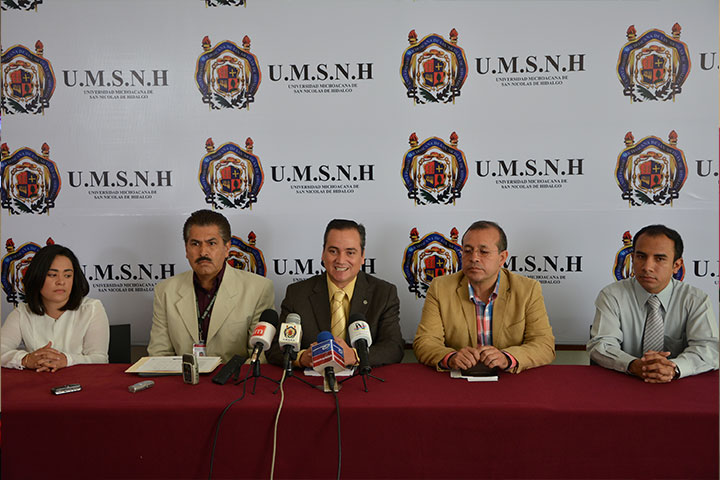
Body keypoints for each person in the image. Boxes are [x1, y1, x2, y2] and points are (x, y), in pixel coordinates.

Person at [413, 220, 555, 372]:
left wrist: (507, 358)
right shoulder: (440, 288)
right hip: (459, 378)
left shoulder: (527, 289)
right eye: (468, 251)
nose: (474, 258)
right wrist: (451, 357)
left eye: (484, 252)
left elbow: (544, 345)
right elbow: (425, 341)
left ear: (502, 258)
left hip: (508, 378)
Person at [588, 224, 718, 383]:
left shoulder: (696, 299)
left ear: (676, 265)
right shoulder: (612, 295)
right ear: (633, 258)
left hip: (678, 385)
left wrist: (673, 368)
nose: (647, 267)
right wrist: (634, 365)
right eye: (641, 257)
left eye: (659, 259)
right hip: (625, 383)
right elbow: (601, 345)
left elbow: (709, 349)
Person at [267, 219, 404, 368]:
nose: (341, 260)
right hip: (312, 378)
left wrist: (356, 356)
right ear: (323, 253)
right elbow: (275, 349)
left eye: (350, 252)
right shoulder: (297, 293)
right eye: (333, 251)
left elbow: (394, 347)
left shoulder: (384, 293)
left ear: (362, 256)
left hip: (362, 379)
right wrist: (300, 358)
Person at [148, 209, 274, 363]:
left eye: (211, 243)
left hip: (234, 377)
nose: (203, 252)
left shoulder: (258, 289)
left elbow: (258, 358)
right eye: (195, 244)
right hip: (182, 376)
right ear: (186, 249)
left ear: (227, 248)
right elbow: (159, 356)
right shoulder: (165, 291)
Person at [1, 244, 109, 371]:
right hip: (37, 381)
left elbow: (100, 359)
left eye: (67, 275)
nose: (61, 282)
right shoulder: (22, 312)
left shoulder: (92, 308)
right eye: (52, 275)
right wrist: (26, 359)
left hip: (80, 381)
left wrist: (66, 360)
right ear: (37, 277)